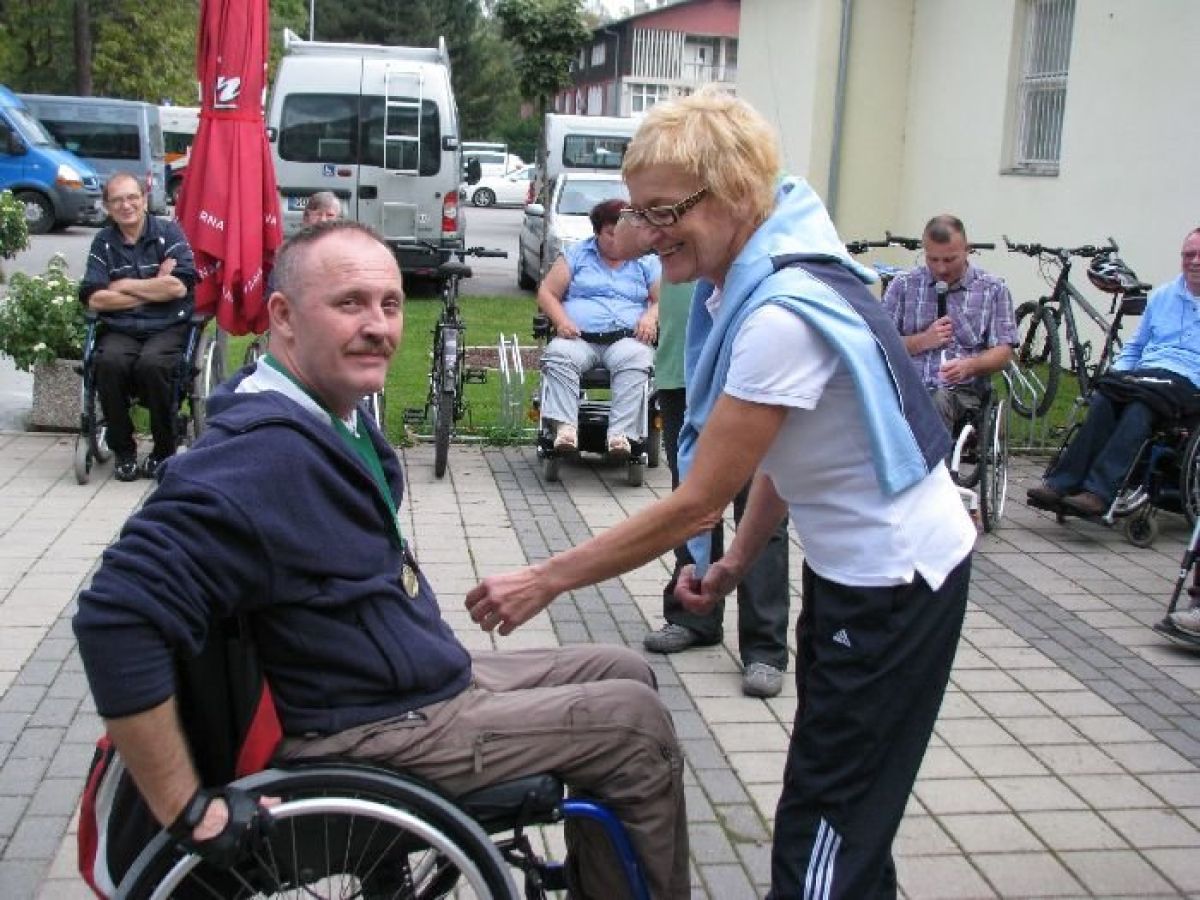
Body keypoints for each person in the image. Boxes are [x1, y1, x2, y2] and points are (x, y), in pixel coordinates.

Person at [72, 221, 689, 900]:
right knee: (635, 727)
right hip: (364, 727)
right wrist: (185, 809)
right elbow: (115, 614)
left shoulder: (324, 409)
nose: (378, 327)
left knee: (624, 668)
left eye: (390, 304)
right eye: (349, 304)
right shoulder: (260, 455)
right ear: (283, 317)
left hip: (400, 683)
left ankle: (604, 877)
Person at [466, 87, 975, 899]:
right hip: (860, 572)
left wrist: (545, 578)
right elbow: (780, 448)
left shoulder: (778, 318)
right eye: (639, 212)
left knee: (826, 827)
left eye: (664, 212)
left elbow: (696, 501)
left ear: (736, 195)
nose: (645, 235)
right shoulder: (768, 268)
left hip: (894, 582)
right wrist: (737, 560)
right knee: (844, 804)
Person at [642, 276, 791, 699]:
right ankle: (693, 616)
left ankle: (764, 647)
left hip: (747, 377)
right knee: (690, 507)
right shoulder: (665, 239)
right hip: (680, 370)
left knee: (758, 510)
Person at [1028, 227, 1200, 522]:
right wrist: (1116, 376)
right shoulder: (1163, 296)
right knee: (1106, 398)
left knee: (1141, 406)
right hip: (1149, 373)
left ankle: (1098, 492)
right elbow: (1136, 346)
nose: (1194, 261)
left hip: (1190, 380)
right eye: (1189, 255)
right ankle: (1061, 483)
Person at [79, 172, 197, 481]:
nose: (126, 205)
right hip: (122, 327)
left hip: (167, 325)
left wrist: (123, 285)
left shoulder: (169, 233)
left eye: (132, 197)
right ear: (107, 207)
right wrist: (154, 285)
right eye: (117, 200)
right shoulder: (103, 242)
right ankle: (124, 451)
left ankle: (163, 449)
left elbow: (177, 288)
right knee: (108, 362)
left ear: (144, 200)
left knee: (153, 365)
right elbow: (95, 298)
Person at [538, 198, 660, 458]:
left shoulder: (645, 261)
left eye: (623, 233)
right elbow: (547, 292)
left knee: (637, 359)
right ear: (597, 232)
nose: (617, 240)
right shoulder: (576, 255)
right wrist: (561, 321)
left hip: (626, 338)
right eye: (610, 234)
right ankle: (565, 429)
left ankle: (620, 436)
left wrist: (650, 316)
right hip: (579, 337)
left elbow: (663, 299)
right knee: (558, 354)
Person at [882, 214, 1017, 433]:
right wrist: (922, 341)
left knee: (935, 400)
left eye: (949, 260)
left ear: (967, 250)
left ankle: (930, 456)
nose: (941, 269)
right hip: (906, 386)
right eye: (933, 259)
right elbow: (880, 344)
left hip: (960, 393)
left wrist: (969, 366)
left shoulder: (993, 289)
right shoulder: (903, 285)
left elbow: (1004, 352)